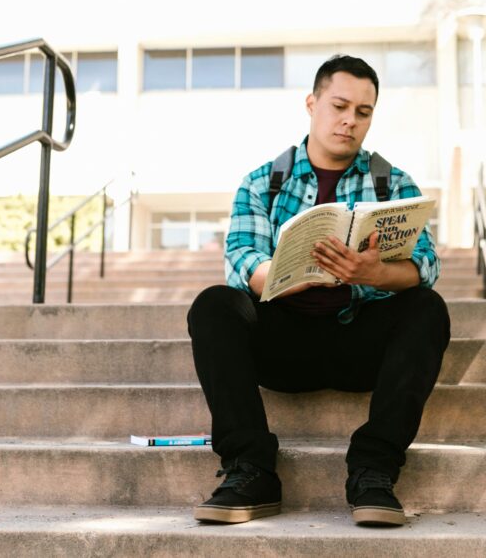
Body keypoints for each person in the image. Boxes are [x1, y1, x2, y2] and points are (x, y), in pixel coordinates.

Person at [187, 54, 450, 527]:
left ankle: (373, 470)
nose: (350, 121)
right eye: (339, 106)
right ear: (312, 104)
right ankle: (251, 469)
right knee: (214, 305)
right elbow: (243, 264)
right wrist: (297, 273)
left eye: (363, 112)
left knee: (427, 308)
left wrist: (373, 274)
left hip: (359, 342)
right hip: (283, 345)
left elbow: (426, 265)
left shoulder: (392, 183)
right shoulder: (262, 183)